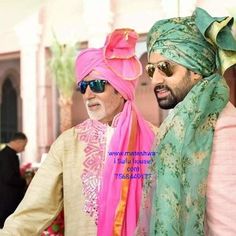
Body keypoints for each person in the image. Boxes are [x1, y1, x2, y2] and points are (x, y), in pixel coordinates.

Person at [0, 29, 156, 236]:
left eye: (97, 85)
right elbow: (33, 210)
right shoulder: (68, 144)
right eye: (83, 86)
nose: (88, 94)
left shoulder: (157, 139)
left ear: (120, 90)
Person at [136, 7, 236, 236]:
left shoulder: (223, 127)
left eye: (165, 68)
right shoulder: (181, 123)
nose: (155, 80)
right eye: (151, 70)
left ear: (197, 69)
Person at [0, 132, 28, 228]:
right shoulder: (7, 155)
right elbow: (9, 177)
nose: (24, 149)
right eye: (24, 145)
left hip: (7, 197)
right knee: (6, 225)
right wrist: (24, 181)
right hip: (7, 199)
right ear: (18, 142)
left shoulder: (8, 154)